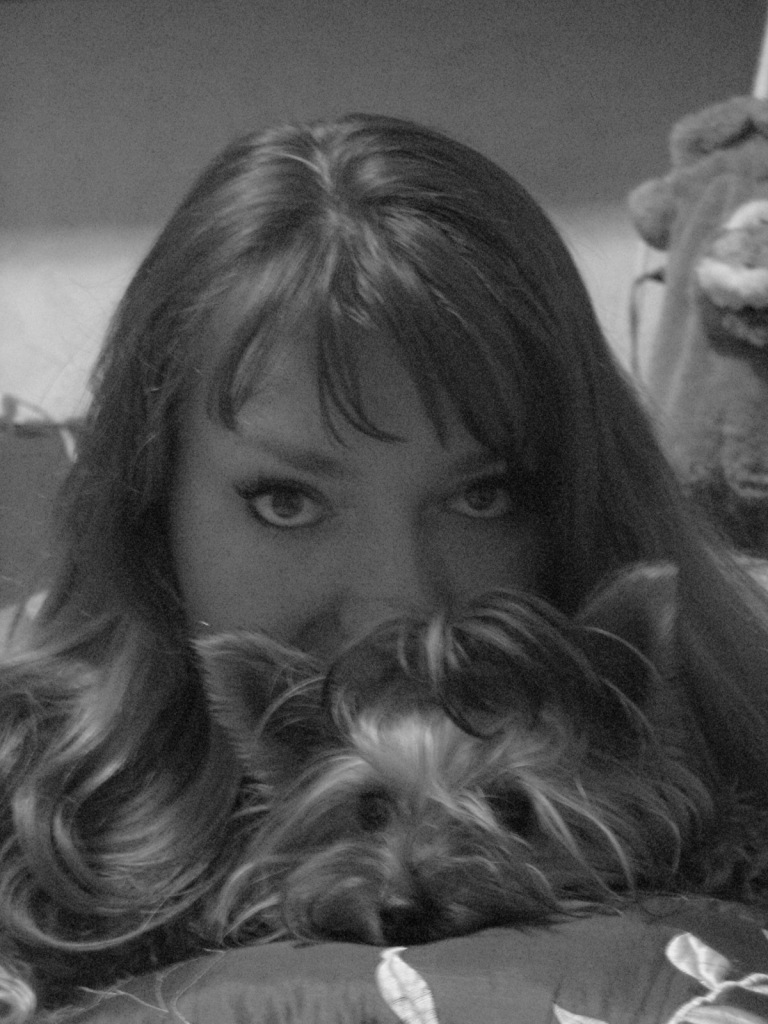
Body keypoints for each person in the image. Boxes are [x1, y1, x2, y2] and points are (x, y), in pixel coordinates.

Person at [1, 112, 768, 1019]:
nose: (395, 603)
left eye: (482, 496)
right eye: (287, 501)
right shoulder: (28, 797)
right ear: (146, 498)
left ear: (586, 496)